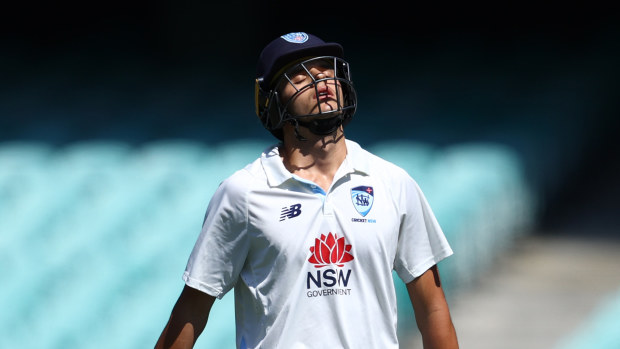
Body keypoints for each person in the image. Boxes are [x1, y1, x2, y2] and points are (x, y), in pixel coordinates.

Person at [155, 32, 459, 349]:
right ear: (273, 101)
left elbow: (432, 308)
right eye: (300, 76)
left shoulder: (394, 183)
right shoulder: (242, 192)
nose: (321, 82)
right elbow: (191, 310)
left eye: (327, 71)